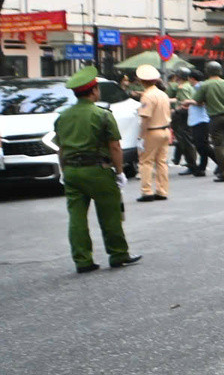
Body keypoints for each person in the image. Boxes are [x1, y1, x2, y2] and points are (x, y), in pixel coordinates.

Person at [52, 67, 139, 272]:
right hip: (98, 170)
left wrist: (64, 171)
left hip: (72, 171)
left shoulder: (62, 117)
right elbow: (115, 147)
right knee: (110, 214)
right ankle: (118, 254)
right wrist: (119, 172)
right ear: (93, 92)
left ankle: (82, 260)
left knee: (76, 217)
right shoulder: (102, 115)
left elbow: (61, 148)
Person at [194, 60, 224, 182]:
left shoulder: (205, 85)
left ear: (207, 71)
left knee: (219, 145)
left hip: (216, 118)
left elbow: (198, 101)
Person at [133, 64, 172, 202]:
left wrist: (140, 137)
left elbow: (145, 118)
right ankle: (162, 191)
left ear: (141, 80)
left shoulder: (147, 96)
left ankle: (147, 191)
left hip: (151, 132)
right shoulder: (163, 94)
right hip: (165, 130)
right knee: (161, 162)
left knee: (145, 162)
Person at [168, 71, 197, 172]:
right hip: (188, 116)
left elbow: (185, 103)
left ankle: (191, 164)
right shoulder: (189, 86)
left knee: (185, 141)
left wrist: (175, 111)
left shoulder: (182, 88)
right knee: (185, 140)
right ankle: (189, 162)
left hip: (182, 117)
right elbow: (179, 99)